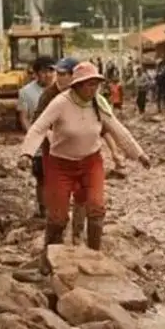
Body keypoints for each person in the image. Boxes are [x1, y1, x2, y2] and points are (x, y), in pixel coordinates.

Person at [18, 62, 150, 267]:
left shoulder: (98, 103)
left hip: (91, 162)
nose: (93, 89)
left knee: (96, 207)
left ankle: (94, 256)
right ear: (77, 85)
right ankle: (48, 259)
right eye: (88, 85)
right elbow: (38, 128)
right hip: (60, 164)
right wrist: (26, 153)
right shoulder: (60, 102)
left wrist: (138, 154)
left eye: (96, 84)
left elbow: (117, 129)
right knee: (58, 217)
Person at [33, 57, 125, 245]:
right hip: (55, 156)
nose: (58, 78)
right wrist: (41, 143)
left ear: (74, 77)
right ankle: (53, 247)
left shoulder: (93, 101)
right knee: (56, 201)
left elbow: (106, 127)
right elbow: (39, 125)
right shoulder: (51, 97)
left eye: (63, 74)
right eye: (57, 74)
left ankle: (79, 236)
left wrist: (116, 152)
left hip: (85, 157)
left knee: (86, 197)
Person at [17, 56, 55, 218]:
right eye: (43, 71)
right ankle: (43, 209)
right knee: (41, 176)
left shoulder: (61, 90)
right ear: (36, 73)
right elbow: (24, 116)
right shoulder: (26, 92)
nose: (47, 75)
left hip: (58, 140)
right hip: (39, 142)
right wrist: (32, 134)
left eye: (50, 71)